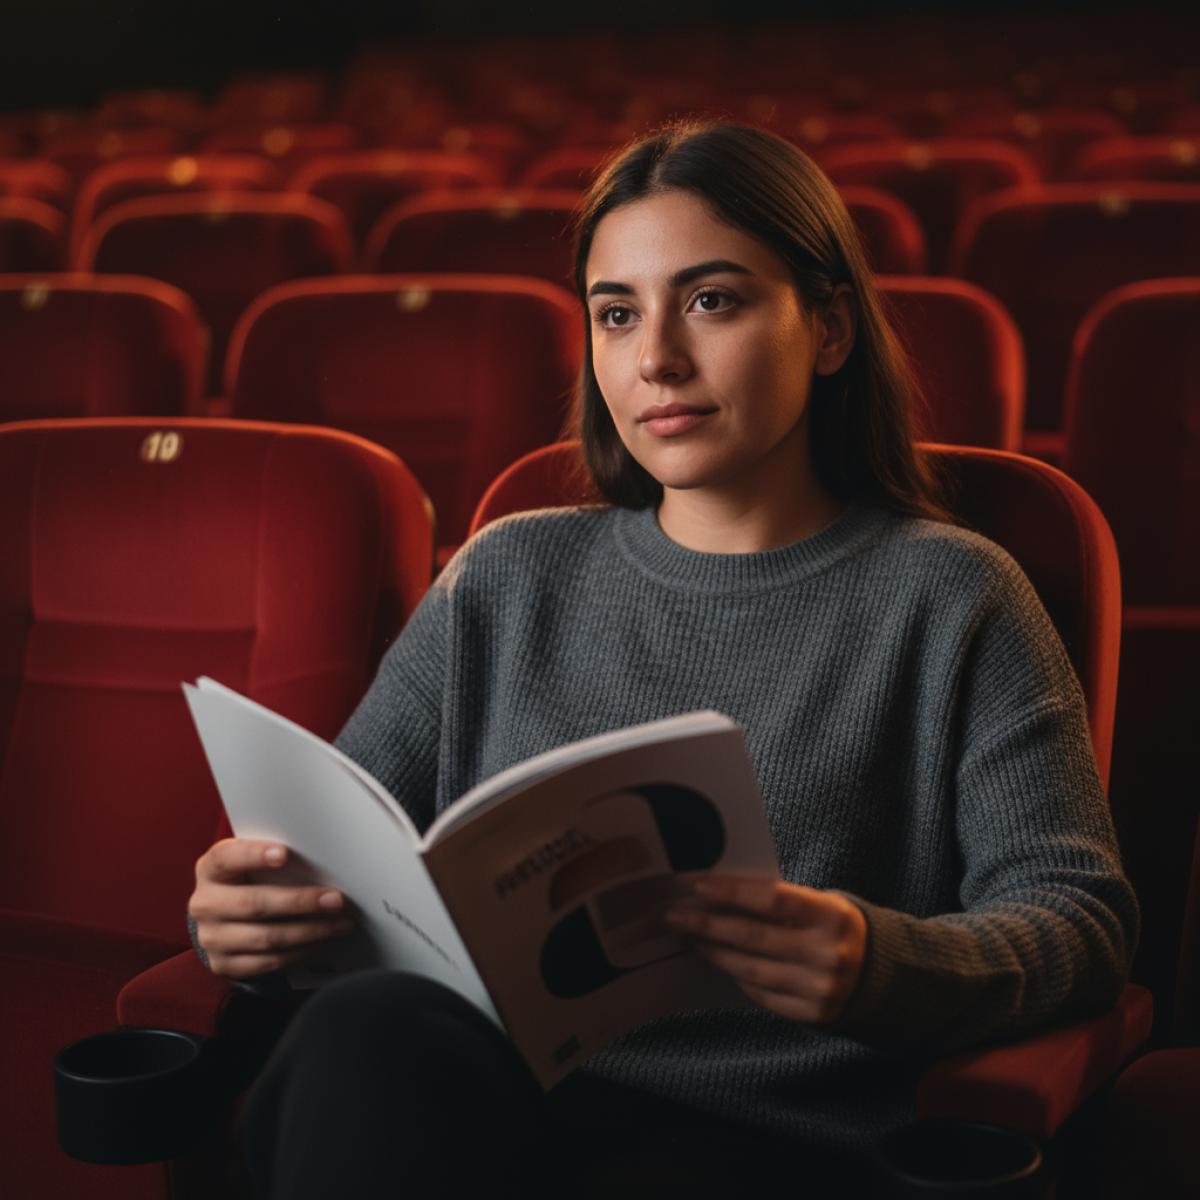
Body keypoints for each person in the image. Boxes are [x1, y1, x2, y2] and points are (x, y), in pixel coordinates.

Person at [187, 121, 1138, 1199]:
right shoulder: (507, 573)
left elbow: (1079, 922)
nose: (655, 360)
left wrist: (880, 966)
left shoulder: (953, 592)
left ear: (828, 329)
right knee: (362, 1035)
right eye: (617, 313)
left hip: (779, 1146)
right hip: (490, 1107)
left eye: (713, 300)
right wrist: (246, 908)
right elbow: (329, 851)